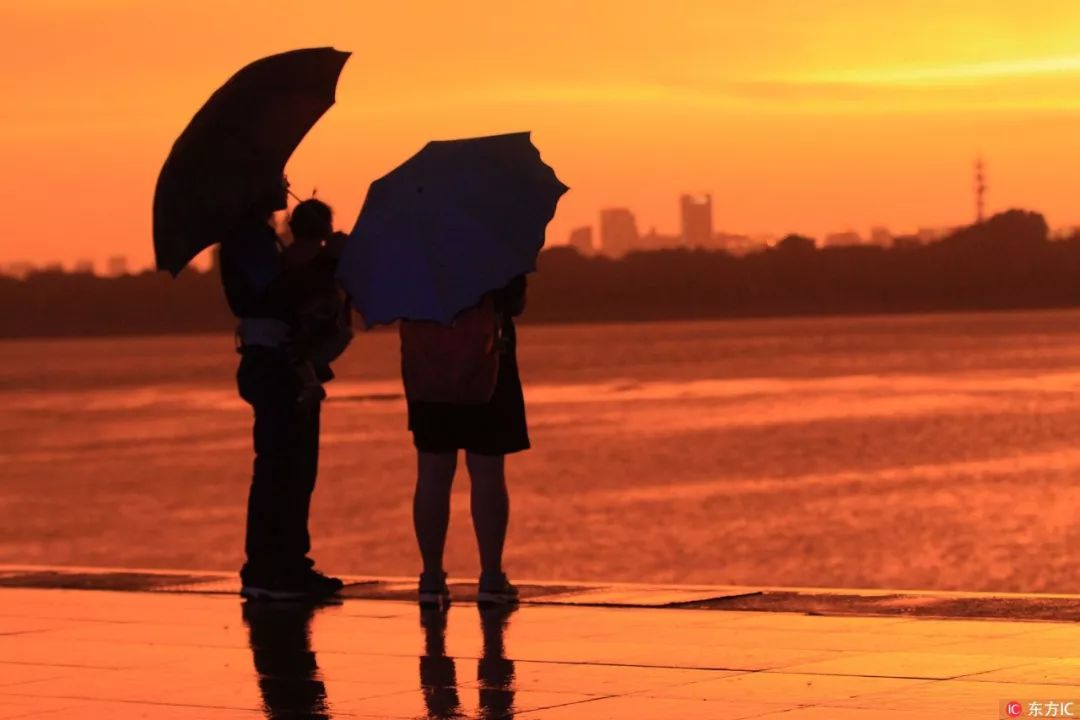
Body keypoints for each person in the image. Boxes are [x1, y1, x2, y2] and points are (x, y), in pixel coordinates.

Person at [219, 179, 345, 600]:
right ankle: (273, 567)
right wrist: (327, 264)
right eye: (276, 180)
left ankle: (286, 563)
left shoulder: (262, 240)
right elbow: (280, 294)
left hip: (278, 365)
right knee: (283, 468)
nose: (283, 185)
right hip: (274, 366)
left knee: (292, 469)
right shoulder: (249, 239)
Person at [407, 275, 529, 608]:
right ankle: (490, 577)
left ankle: (431, 578)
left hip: (428, 363)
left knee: (432, 472)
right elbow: (514, 304)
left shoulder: (413, 241)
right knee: (487, 470)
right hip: (487, 360)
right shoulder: (489, 237)